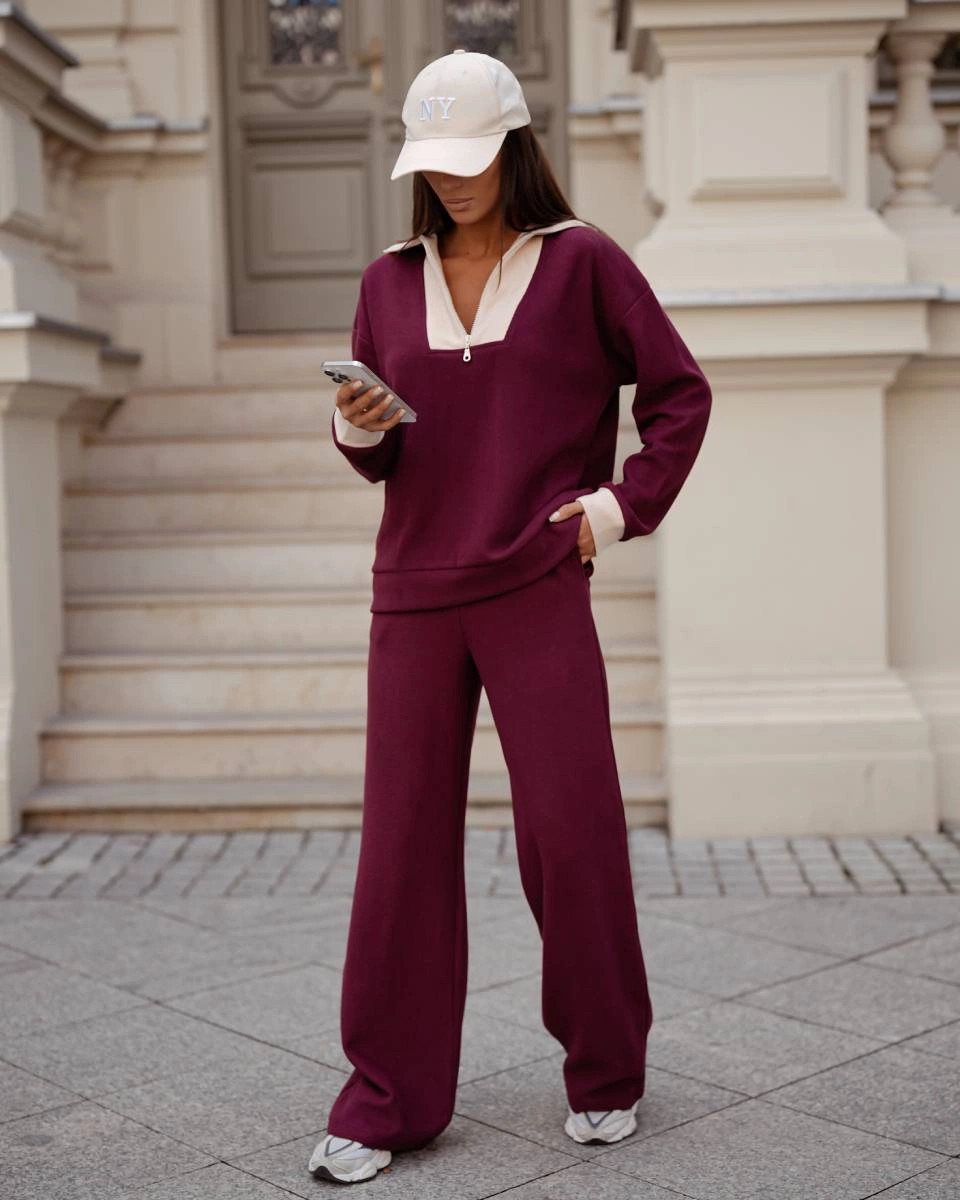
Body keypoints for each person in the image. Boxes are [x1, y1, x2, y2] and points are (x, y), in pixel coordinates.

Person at [308, 48, 712, 1185]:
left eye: (471, 156)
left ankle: (606, 1071)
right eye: (434, 162)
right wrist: (359, 423)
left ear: (515, 146)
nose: (452, 178)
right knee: (401, 851)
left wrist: (616, 510)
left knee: (571, 836)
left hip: (536, 583)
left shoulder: (585, 263)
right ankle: (387, 1099)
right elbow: (382, 455)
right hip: (416, 593)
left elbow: (680, 394)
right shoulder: (387, 281)